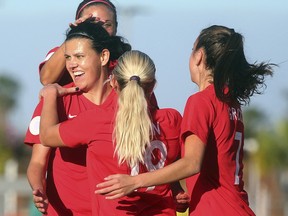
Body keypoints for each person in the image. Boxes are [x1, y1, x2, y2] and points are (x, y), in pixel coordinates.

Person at [94, 25, 275, 216]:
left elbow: (192, 163)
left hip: (215, 210)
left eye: (192, 49)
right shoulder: (231, 103)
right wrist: (176, 188)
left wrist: (135, 181)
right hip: (238, 207)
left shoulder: (201, 101)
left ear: (199, 56)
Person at [39, 50, 189, 215]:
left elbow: (46, 135)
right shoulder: (172, 119)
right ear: (152, 85)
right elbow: (183, 164)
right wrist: (176, 188)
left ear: (114, 83)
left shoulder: (97, 121)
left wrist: (50, 94)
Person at [25, 21, 131, 215]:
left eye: (80, 56)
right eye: (68, 57)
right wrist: (38, 187)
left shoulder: (128, 99)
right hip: (66, 211)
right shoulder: (54, 101)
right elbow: (38, 162)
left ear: (103, 57)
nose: (72, 64)